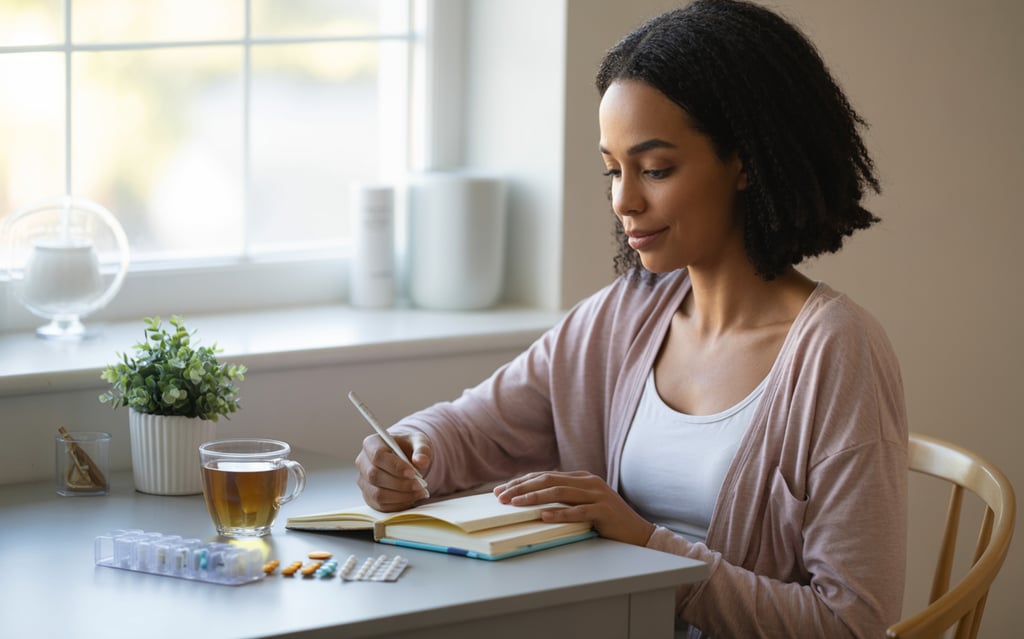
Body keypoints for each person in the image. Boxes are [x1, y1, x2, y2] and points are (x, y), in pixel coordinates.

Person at [356, 1, 908, 636]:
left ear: (747, 163)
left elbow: (851, 624)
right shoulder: (632, 310)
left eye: (655, 169)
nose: (624, 200)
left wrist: (644, 544)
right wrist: (411, 450)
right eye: (614, 170)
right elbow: (474, 426)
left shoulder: (837, 351)